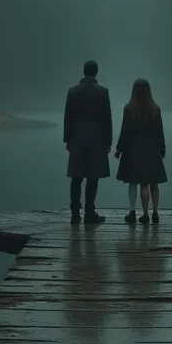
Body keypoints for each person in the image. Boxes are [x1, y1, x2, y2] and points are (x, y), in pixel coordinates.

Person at [64, 60, 112, 224]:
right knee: (93, 176)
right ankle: (90, 212)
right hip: (96, 137)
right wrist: (108, 141)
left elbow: (68, 118)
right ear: (96, 72)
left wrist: (67, 139)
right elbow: (107, 119)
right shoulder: (102, 92)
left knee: (76, 177)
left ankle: (75, 213)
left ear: (83, 72)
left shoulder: (72, 91)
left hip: (77, 136)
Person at [114, 78, 167, 224]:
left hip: (133, 149)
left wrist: (119, 149)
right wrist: (162, 149)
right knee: (154, 183)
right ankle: (155, 212)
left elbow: (124, 132)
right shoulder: (155, 109)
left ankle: (135, 212)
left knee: (134, 182)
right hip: (152, 149)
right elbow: (159, 132)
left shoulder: (129, 109)